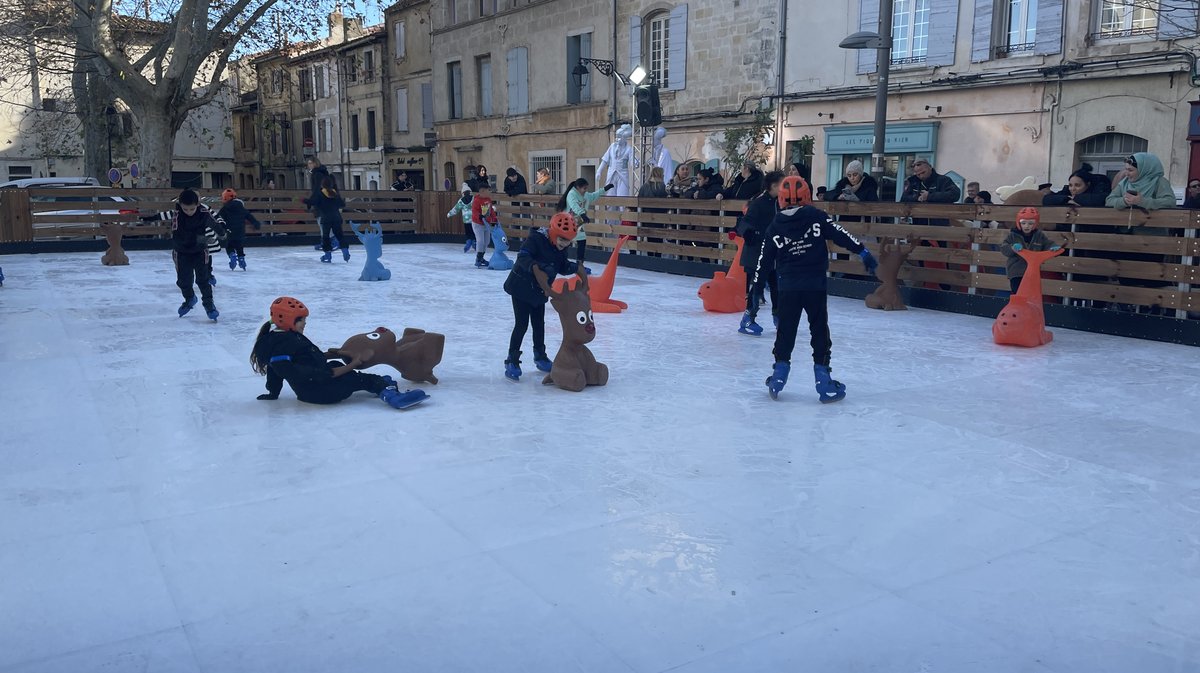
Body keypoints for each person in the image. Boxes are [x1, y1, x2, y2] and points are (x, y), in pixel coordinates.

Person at [747, 176, 877, 403]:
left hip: (788, 287)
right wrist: (862, 251)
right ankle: (823, 378)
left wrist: (756, 289)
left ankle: (779, 374)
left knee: (786, 330)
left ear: (781, 200)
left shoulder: (775, 226)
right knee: (819, 329)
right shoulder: (817, 217)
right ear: (807, 196)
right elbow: (840, 233)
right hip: (815, 285)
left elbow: (763, 261)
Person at [250, 297, 427, 409]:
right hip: (322, 392)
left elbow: (279, 368)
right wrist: (354, 363)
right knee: (357, 377)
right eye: (302, 320)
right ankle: (391, 396)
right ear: (288, 320)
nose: (305, 324)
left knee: (337, 365)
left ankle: (376, 383)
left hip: (309, 390)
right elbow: (325, 374)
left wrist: (273, 392)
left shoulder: (278, 341)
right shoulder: (286, 343)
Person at [502, 213, 580, 381]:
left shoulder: (561, 248)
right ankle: (512, 360)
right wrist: (537, 267)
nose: (564, 244)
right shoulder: (536, 239)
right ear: (553, 232)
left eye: (568, 241)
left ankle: (540, 356)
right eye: (562, 239)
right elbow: (523, 257)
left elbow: (562, 266)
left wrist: (575, 268)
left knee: (539, 324)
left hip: (539, 291)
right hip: (521, 287)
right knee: (521, 324)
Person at [735, 170, 784, 334]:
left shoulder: (779, 203)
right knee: (757, 287)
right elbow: (744, 222)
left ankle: (779, 318)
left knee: (777, 287)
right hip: (756, 254)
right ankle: (747, 319)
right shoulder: (759, 202)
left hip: (772, 255)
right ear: (774, 186)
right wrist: (750, 233)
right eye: (782, 185)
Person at [171, 188, 227, 320]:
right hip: (182, 252)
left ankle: (209, 305)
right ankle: (190, 298)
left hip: (200, 252)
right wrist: (200, 239)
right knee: (184, 281)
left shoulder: (203, 212)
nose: (189, 212)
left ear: (197, 205)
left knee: (203, 279)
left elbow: (214, 223)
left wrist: (222, 232)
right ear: (181, 206)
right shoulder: (177, 216)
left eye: (191, 209)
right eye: (185, 209)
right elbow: (178, 235)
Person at [999, 207, 1062, 294]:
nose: (1027, 226)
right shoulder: (1013, 235)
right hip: (1016, 272)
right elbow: (1004, 248)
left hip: (1033, 272)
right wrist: (1012, 247)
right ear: (1018, 223)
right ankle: (1017, 305)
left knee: (1031, 293)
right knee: (1017, 292)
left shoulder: (1039, 235)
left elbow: (1048, 243)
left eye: (1030, 223)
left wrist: (1054, 248)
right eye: (1023, 223)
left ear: (1035, 224)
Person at [557, 178, 614, 265]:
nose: (585, 190)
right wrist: (583, 214)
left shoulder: (586, 195)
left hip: (578, 222)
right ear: (577, 188)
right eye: (584, 188)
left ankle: (580, 264)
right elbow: (574, 205)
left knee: (582, 240)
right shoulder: (571, 194)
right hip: (567, 222)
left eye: (586, 188)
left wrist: (605, 189)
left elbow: (594, 195)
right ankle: (561, 261)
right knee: (565, 242)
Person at [1106, 152, 1176, 211]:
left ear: (1143, 170)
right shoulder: (1124, 183)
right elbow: (1109, 201)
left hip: (1152, 225)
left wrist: (1142, 202)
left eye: (1130, 170)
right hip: (1125, 225)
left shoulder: (1158, 181)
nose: (1126, 173)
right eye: (1126, 169)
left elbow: (1170, 202)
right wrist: (1124, 201)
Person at [304, 175, 350, 263]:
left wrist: (303, 200)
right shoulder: (335, 193)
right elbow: (342, 204)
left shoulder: (320, 194)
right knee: (340, 236)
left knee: (325, 237)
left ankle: (327, 255)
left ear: (322, 185)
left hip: (326, 219)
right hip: (336, 218)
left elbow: (313, 202)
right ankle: (345, 252)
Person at [217, 188, 261, 271]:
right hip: (240, 232)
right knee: (239, 246)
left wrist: (219, 228)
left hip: (229, 231)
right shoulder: (241, 208)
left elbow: (218, 218)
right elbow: (249, 216)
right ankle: (241, 259)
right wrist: (256, 223)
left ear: (225, 198)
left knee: (229, 246)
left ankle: (232, 255)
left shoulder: (224, 208)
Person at [306, 158, 339, 251]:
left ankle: (333, 241)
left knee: (322, 222)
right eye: (308, 163)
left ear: (315, 163)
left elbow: (317, 189)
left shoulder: (317, 174)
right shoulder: (318, 173)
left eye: (310, 163)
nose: (309, 165)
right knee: (321, 221)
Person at [1043, 164, 1110, 208]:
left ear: (1088, 184)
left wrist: (1075, 198)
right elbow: (1047, 199)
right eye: (1070, 185)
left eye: (1077, 185)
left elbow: (1102, 199)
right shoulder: (1067, 191)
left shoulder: (1099, 190)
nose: (1072, 189)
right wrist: (1067, 200)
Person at [470, 183, 500, 268]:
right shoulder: (476, 200)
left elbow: (491, 211)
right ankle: (478, 258)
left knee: (486, 241)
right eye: (488, 190)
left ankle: (482, 258)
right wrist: (479, 216)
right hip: (477, 224)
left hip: (486, 224)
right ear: (482, 191)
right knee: (480, 241)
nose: (489, 192)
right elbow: (474, 211)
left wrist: (494, 219)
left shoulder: (488, 199)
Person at [447, 188, 477, 253]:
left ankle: (468, 242)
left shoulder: (461, 201)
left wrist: (450, 213)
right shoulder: (474, 199)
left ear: (463, 193)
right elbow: (479, 206)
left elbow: (456, 209)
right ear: (470, 192)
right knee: (474, 232)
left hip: (466, 220)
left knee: (468, 233)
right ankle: (474, 243)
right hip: (474, 219)